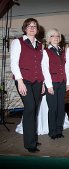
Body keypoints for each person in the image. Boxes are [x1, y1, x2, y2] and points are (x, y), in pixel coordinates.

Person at [10, 18, 44, 153]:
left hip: (37, 81)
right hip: (24, 80)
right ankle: (29, 143)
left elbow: (41, 65)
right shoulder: (18, 42)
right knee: (30, 108)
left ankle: (33, 138)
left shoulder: (40, 44)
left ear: (37, 29)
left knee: (34, 109)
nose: (32, 28)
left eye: (34, 26)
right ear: (25, 28)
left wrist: (42, 83)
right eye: (29, 26)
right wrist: (19, 81)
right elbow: (14, 63)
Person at [41, 28, 69, 140]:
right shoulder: (45, 51)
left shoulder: (62, 51)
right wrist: (49, 86)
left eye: (57, 36)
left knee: (61, 108)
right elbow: (45, 69)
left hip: (62, 82)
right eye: (53, 36)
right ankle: (52, 132)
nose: (56, 38)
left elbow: (65, 67)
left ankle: (59, 130)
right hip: (52, 83)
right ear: (48, 39)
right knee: (53, 109)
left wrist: (67, 82)